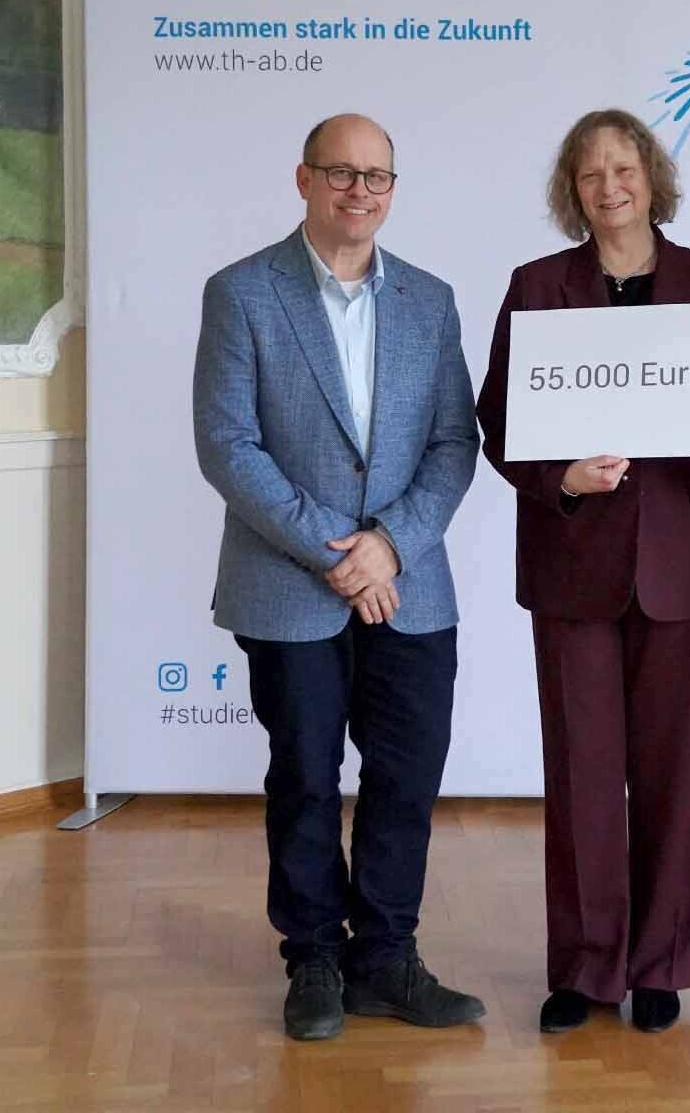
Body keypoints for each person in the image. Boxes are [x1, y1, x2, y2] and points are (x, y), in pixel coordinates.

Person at [476, 109, 690, 1035]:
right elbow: (496, 423)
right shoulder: (536, 287)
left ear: (653, 177)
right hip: (573, 563)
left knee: (674, 770)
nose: (610, 187)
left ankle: (661, 966)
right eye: (590, 174)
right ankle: (585, 965)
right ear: (572, 191)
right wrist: (556, 478)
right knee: (580, 773)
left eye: (624, 168)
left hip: (681, 561)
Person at [193, 113, 483, 1041]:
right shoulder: (241, 292)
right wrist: (340, 555)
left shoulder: (431, 301)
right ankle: (313, 957)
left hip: (412, 587)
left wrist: (389, 546)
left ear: (393, 189)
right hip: (291, 590)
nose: (361, 192)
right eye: (342, 174)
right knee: (307, 778)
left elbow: (454, 442)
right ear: (304, 180)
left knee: (406, 778)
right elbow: (229, 448)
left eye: (378, 177)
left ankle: (387, 958)